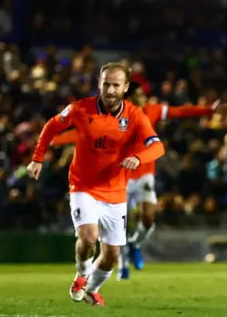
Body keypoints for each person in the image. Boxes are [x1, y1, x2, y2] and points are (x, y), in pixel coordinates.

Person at [52, 82, 224, 280]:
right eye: (139, 95)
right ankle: (123, 265)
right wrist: (54, 140)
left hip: (144, 174)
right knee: (120, 225)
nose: (143, 98)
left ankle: (135, 243)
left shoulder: (151, 111)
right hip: (119, 177)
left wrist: (209, 110)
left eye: (144, 94)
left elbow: (180, 112)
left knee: (148, 218)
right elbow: (82, 134)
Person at [27, 63, 165, 306]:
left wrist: (138, 157)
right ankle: (81, 275)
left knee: (111, 254)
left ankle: (92, 288)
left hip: (115, 191)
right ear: (99, 83)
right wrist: (38, 158)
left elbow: (157, 146)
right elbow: (51, 126)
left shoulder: (134, 115)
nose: (110, 90)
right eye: (106, 84)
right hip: (83, 186)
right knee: (89, 236)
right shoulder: (81, 108)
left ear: (125, 88)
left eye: (115, 85)